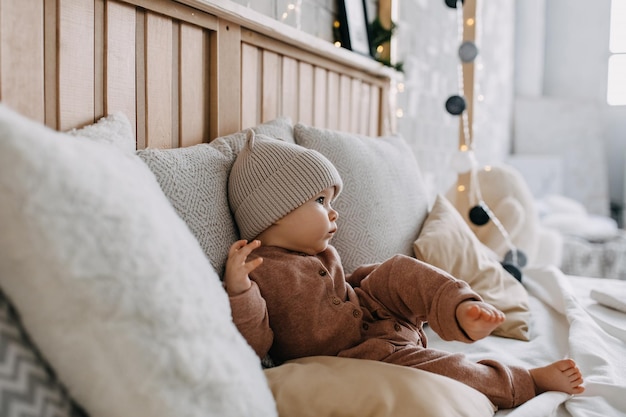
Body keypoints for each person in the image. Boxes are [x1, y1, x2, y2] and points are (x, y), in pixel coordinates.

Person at [224, 130, 584, 409]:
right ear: (274, 211)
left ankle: (458, 308)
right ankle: (526, 381)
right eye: (321, 201)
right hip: (362, 350)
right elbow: (256, 343)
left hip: (372, 311)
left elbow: (343, 291)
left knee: (396, 270)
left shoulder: (320, 252)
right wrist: (240, 291)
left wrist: (366, 281)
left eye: (332, 202)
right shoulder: (258, 269)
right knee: (447, 368)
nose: (334, 213)